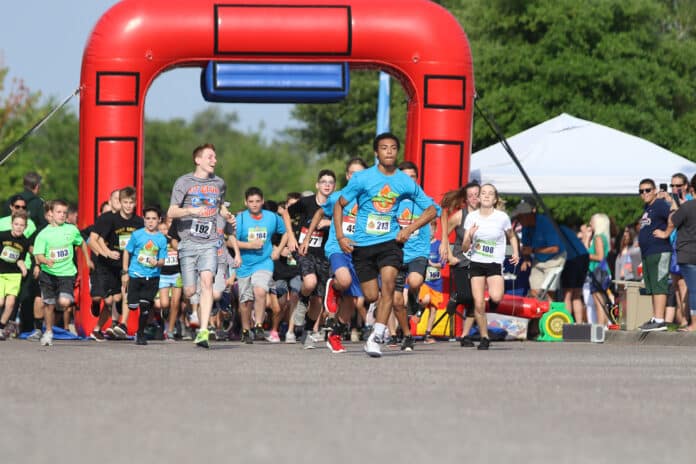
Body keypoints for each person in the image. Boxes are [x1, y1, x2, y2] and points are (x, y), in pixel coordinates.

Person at [334, 132, 437, 358]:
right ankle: (374, 324)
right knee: (372, 295)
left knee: (389, 286)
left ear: (397, 152)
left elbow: (432, 210)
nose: (389, 151)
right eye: (384, 148)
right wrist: (341, 237)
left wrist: (408, 229)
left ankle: (375, 337)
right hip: (363, 245)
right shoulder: (362, 179)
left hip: (391, 243)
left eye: (393, 148)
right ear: (376, 153)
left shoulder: (404, 181)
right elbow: (339, 205)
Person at [167, 143, 234, 349]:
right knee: (189, 291)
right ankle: (191, 312)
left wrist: (227, 215)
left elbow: (220, 205)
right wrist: (192, 211)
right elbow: (171, 212)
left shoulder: (219, 183)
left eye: (215, 157)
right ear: (198, 160)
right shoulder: (184, 182)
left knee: (207, 282)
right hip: (187, 242)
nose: (215, 160)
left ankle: (203, 330)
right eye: (210, 157)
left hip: (210, 242)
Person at [301, 157, 368, 352]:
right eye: (353, 173)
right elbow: (319, 213)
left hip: (359, 252)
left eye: (361, 174)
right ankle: (335, 287)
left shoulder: (370, 200)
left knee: (351, 301)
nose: (357, 177)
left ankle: (335, 335)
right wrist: (306, 239)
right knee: (344, 281)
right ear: (348, 176)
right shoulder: (339, 197)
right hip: (337, 248)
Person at [460, 184, 519, 350]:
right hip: (477, 262)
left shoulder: (502, 217)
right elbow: (464, 248)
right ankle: (484, 337)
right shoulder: (471, 218)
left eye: (490, 194)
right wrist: (469, 236)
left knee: (496, 297)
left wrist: (515, 252)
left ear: (495, 199)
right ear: (478, 198)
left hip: (494, 263)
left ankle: (491, 304)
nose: (486, 196)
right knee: (478, 304)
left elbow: (512, 236)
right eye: (483, 193)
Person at [281, 169, 336, 347]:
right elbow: (285, 212)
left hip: (324, 253)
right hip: (304, 249)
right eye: (324, 182)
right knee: (309, 282)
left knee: (318, 299)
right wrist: (290, 236)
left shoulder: (336, 205)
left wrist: (330, 223)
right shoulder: (306, 202)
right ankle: (303, 300)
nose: (327, 185)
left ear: (334, 187)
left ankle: (308, 331)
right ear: (317, 185)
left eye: (330, 182)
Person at [32, 200, 93, 346]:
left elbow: (82, 243)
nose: (62, 215)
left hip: (66, 273)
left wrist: (87, 260)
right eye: (58, 212)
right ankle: (48, 331)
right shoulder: (43, 234)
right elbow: (38, 254)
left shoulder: (72, 230)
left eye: (64, 213)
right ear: (51, 214)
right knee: (48, 304)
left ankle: (59, 308)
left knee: (64, 301)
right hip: (48, 273)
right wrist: (45, 261)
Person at [90, 187, 143, 340]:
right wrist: (107, 252)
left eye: (131, 202)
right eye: (125, 202)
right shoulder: (111, 219)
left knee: (123, 294)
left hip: (128, 265)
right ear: (119, 203)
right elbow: (96, 239)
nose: (128, 205)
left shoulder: (139, 222)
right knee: (108, 301)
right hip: (108, 265)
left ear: (135, 203)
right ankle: (98, 328)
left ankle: (122, 325)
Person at [235, 187, 286, 344]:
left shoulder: (271, 217)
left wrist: (279, 249)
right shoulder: (240, 219)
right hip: (244, 264)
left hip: (264, 262)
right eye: (251, 202)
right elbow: (230, 241)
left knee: (260, 290)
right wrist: (249, 245)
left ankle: (258, 324)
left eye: (258, 201)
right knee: (245, 301)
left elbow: (285, 231)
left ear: (263, 201)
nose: (255, 205)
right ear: (246, 202)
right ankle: (245, 329)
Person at [439, 182, 480, 342]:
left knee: (475, 299)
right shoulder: (460, 216)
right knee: (466, 295)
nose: (474, 198)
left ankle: (465, 335)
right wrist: (449, 255)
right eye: (470, 196)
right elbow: (444, 233)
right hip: (461, 261)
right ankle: (456, 297)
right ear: (466, 199)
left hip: (479, 261)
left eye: (477, 194)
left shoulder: (486, 216)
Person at [121, 207, 168, 345]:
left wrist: (156, 262)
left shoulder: (161, 239)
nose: (151, 222)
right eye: (148, 218)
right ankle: (126, 301)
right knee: (133, 306)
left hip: (153, 277)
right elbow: (127, 252)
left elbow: (162, 261)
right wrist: (125, 271)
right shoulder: (137, 235)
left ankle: (140, 333)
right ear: (144, 219)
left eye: (154, 219)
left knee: (145, 306)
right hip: (135, 274)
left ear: (159, 220)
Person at [511, 199, 566, 300]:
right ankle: (538, 313)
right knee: (534, 291)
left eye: (520, 217)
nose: (518, 220)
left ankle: (549, 313)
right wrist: (526, 258)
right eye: (517, 218)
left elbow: (555, 248)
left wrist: (533, 251)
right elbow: (526, 247)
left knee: (549, 291)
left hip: (555, 259)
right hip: (539, 260)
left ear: (529, 215)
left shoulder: (546, 223)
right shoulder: (525, 227)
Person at [636, 178, 673, 332]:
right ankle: (655, 317)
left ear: (655, 191)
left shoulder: (659, 204)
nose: (644, 193)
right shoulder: (648, 207)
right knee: (652, 286)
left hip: (659, 250)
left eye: (647, 190)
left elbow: (674, 216)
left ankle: (660, 319)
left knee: (659, 284)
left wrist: (666, 233)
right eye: (641, 191)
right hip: (648, 252)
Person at [668, 173, 696, 331]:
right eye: (672, 186)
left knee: (685, 284)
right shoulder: (671, 202)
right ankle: (682, 319)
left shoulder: (690, 202)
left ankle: (687, 319)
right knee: (676, 285)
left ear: (686, 186)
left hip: (686, 246)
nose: (675, 189)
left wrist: (677, 207)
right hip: (673, 245)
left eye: (678, 185)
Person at [0, 212, 31, 340]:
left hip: (14, 276)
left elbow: (21, 258)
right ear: (11, 224)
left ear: (26, 226)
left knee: (11, 303)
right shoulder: (2, 236)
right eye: (16, 224)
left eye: (22, 225)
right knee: (0, 302)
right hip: (1, 273)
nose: (18, 227)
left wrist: (23, 266)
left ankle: (1, 327)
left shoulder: (25, 241)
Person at [583, 213, 612, 326]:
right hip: (599, 272)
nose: (590, 223)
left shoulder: (598, 237)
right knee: (600, 301)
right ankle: (603, 326)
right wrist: (587, 238)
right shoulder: (602, 237)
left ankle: (601, 327)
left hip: (598, 272)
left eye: (592, 221)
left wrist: (587, 256)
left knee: (599, 302)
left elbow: (599, 257)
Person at [418, 220, 444, 343]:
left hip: (436, 281)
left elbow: (443, 263)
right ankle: (419, 310)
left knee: (434, 309)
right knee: (425, 299)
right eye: (426, 230)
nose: (429, 233)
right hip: (424, 281)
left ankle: (428, 333)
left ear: (435, 231)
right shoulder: (421, 244)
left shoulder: (439, 245)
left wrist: (433, 264)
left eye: (431, 230)